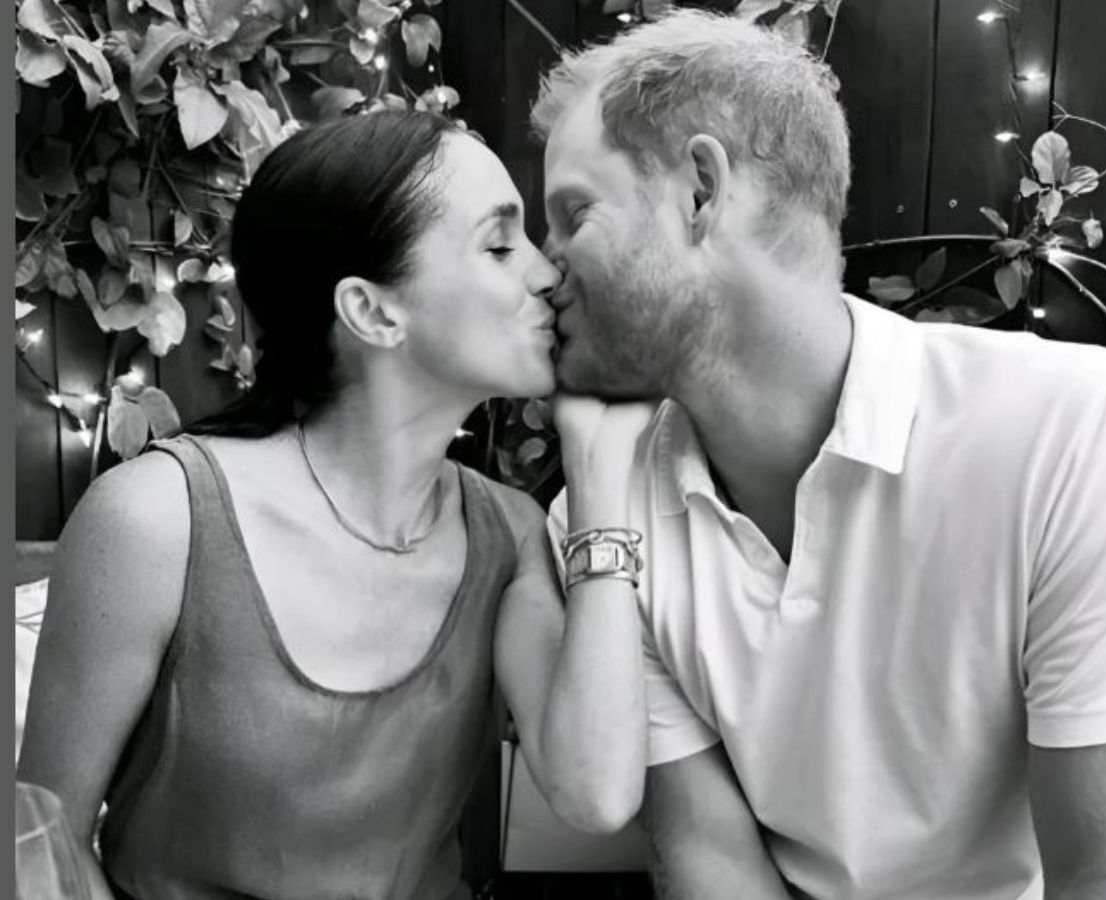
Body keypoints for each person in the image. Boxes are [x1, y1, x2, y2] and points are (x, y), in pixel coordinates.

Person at [533, 10, 1106, 899]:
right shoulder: (602, 521)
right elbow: (712, 866)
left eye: (573, 214)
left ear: (700, 191)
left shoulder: (1072, 430)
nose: (541, 267)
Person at [17, 109, 650, 900]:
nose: (547, 273)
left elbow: (598, 794)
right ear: (373, 312)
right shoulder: (155, 521)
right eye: (499, 245)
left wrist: (598, 471)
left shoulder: (510, 534)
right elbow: (41, 847)